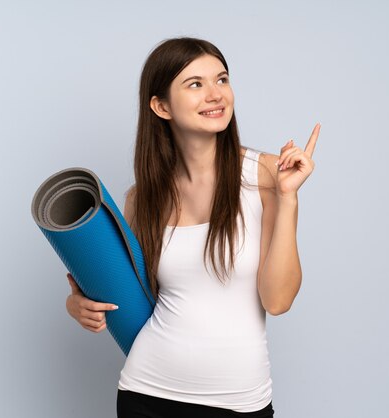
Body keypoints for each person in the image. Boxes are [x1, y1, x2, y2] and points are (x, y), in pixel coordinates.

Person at [65, 37, 319, 418]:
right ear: (161, 106)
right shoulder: (143, 197)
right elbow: (126, 293)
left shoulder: (267, 175)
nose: (216, 94)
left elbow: (278, 300)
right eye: (195, 84)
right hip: (146, 392)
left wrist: (288, 199)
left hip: (238, 403)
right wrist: (77, 305)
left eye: (222, 79)